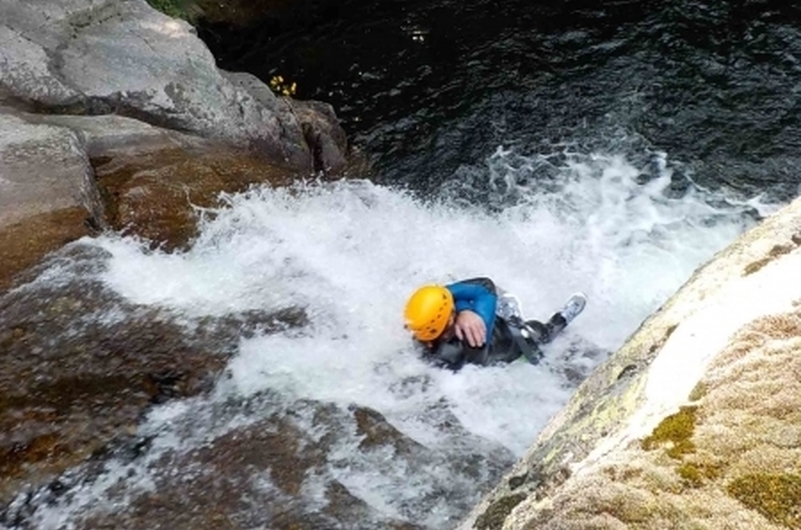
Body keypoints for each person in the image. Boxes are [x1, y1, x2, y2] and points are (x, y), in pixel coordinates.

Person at [403, 277, 586, 371]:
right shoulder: (472, 336)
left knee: (473, 302)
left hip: (486, 346)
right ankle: (562, 317)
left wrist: (462, 308)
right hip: (507, 344)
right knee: (538, 333)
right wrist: (465, 310)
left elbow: (443, 292)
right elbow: (485, 286)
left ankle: (509, 315)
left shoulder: (422, 335)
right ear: (449, 320)